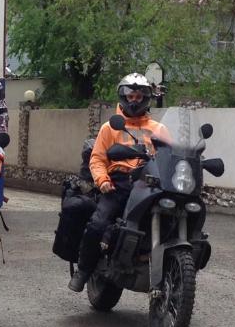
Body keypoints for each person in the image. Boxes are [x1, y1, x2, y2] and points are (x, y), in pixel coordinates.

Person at [68, 73, 169, 292]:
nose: (134, 100)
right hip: (119, 183)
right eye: (130, 96)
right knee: (98, 223)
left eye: (139, 96)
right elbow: (97, 159)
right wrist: (102, 180)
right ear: (123, 97)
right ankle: (83, 271)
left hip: (150, 182)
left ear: (146, 98)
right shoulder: (110, 127)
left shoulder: (158, 129)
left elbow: (171, 156)